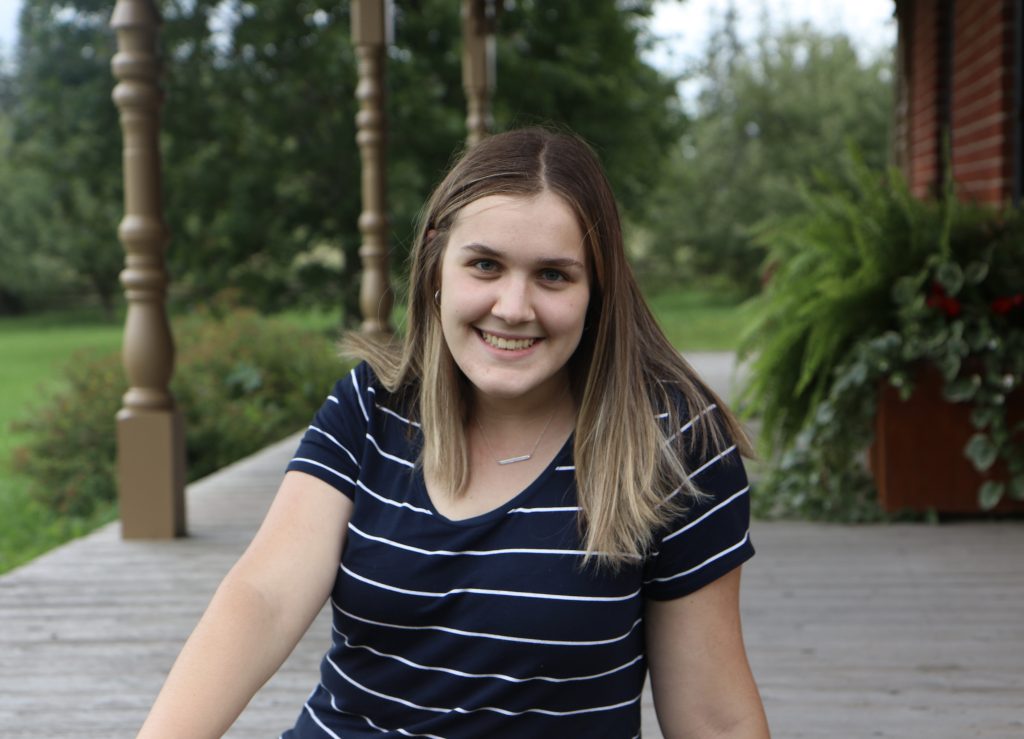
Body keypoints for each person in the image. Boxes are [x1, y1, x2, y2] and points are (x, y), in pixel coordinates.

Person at [137, 127, 769, 738]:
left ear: (597, 290)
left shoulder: (674, 444)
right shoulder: (373, 405)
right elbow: (265, 597)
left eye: (553, 275)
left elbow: (714, 719)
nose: (513, 308)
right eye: (486, 265)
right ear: (437, 263)